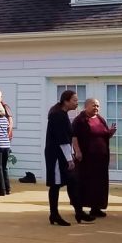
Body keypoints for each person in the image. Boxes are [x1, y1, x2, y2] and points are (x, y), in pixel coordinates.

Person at [44, 90, 85, 226]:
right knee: (55, 185)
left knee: (72, 181)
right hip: (56, 155)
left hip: (62, 153)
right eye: (74, 100)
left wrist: (70, 154)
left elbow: (68, 137)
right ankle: (54, 214)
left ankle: (79, 211)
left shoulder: (63, 114)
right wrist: (70, 159)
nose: (77, 102)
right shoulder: (57, 115)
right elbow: (62, 140)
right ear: (66, 101)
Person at [72, 98, 116, 219]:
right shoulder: (79, 120)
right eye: (93, 105)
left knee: (99, 183)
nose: (96, 108)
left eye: (97, 106)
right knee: (84, 182)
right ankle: (79, 209)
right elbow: (74, 137)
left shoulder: (100, 119)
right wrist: (77, 151)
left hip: (100, 159)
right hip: (86, 159)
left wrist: (110, 133)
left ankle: (96, 208)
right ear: (86, 106)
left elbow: (104, 135)